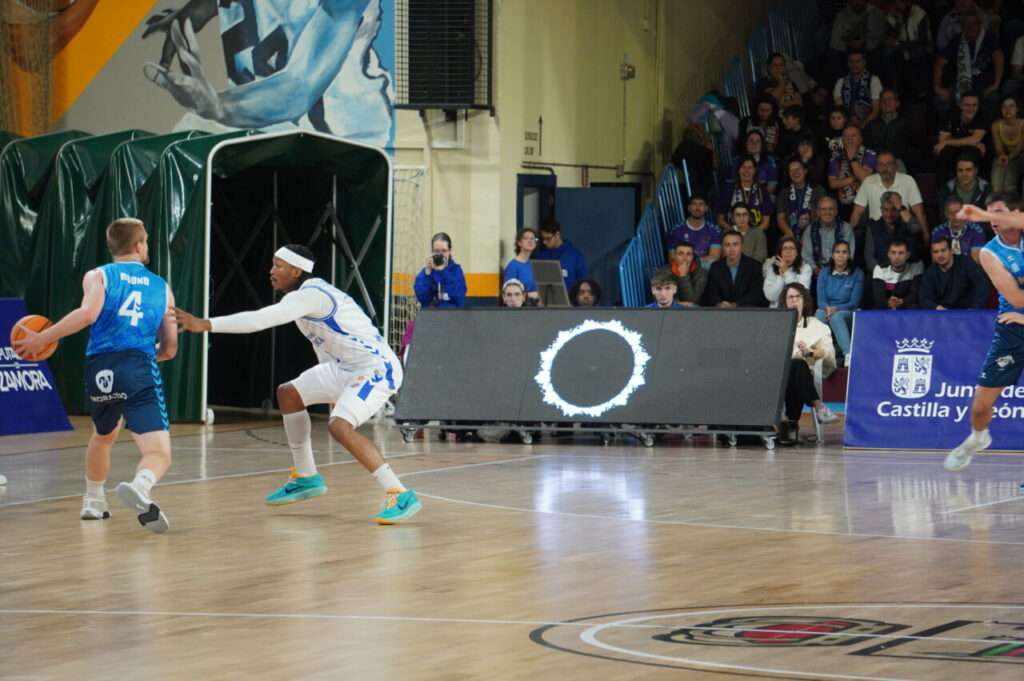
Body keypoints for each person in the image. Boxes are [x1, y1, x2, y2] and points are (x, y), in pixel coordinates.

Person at [174, 244, 422, 524]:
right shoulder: (302, 299)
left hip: (375, 368)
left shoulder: (311, 295)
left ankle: (400, 493)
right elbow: (326, 346)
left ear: (296, 270)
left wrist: (206, 324)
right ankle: (306, 476)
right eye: (272, 264)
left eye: (278, 265)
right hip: (342, 368)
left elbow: (259, 319)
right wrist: (332, 389)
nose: (271, 271)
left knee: (339, 427)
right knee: (288, 394)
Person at [13, 218, 178, 533]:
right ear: (140, 246)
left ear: (112, 245)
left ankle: (93, 501)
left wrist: (44, 337)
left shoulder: (98, 275)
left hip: (99, 367)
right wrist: (141, 362)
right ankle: (141, 487)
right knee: (158, 452)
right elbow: (169, 348)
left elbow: (87, 314)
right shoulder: (161, 287)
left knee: (104, 435)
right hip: (138, 364)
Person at [141, 0, 393, 145]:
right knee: (178, 144)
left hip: (342, 138)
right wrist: (192, 12)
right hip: (261, 123)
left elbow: (300, 88)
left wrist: (218, 107)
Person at [944, 192, 1024, 470]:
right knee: (979, 408)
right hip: (1012, 330)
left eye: (1000, 213)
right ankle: (978, 438)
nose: (994, 221)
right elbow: (1017, 299)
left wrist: (983, 214)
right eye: (991, 216)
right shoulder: (990, 252)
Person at [778, 282, 839, 445]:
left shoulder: (817, 326)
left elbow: (829, 353)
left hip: (803, 375)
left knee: (797, 366)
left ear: (804, 301)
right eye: (790, 297)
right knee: (789, 368)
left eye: (798, 297)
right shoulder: (776, 325)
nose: (794, 301)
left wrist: (810, 352)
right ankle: (818, 408)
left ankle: (791, 424)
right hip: (774, 374)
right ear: (784, 302)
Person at [933, 7, 1003, 118]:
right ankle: (953, 127)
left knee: (993, 97)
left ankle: (983, 131)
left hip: (983, 87)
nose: (970, 27)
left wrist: (996, 84)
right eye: (967, 24)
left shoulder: (989, 38)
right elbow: (940, 62)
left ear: (980, 24)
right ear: (962, 26)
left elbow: (999, 57)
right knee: (938, 99)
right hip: (960, 87)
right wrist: (938, 86)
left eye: (974, 24)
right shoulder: (957, 41)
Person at [849, 150, 929, 237]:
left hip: (903, 232)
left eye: (889, 164)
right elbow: (856, 214)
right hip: (876, 234)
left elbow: (919, 212)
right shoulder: (868, 182)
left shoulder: (908, 181)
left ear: (895, 166)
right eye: (881, 164)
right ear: (877, 168)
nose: (885, 168)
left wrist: (926, 235)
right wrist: (850, 239)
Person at [814, 240, 863, 364]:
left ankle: (848, 355)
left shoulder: (857, 273)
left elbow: (854, 302)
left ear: (849, 255)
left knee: (836, 317)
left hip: (849, 311)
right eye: (837, 252)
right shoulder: (824, 273)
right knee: (818, 316)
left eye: (844, 252)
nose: (841, 255)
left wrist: (836, 308)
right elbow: (821, 300)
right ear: (832, 255)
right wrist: (828, 308)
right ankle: (816, 354)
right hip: (827, 310)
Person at [919, 236, 990, 309]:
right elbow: (924, 299)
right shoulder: (930, 273)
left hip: (969, 311)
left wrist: (976, 306)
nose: (940, 255)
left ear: (951, 250)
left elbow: (982, 283)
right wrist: (936, 307)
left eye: (943, 250)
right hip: (944, 314)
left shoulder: (965, 262)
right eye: (935, 252)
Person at [933, 93, 989, 186]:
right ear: (960, 105)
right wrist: (970, 141)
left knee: (972, 151)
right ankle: (942, 190)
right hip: (952, 150)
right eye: (967, 105)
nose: (971, 109)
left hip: (972, 150)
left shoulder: (982, 116)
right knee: (944, 152)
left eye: (974, 105)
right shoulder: (950, 113)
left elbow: (974, 140)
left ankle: (974, 190)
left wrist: (948, 141)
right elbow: (942, 139)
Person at [864, 191, 925, 269]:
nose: (889, 214)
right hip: (883, 273)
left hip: (907, 272)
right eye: (886, 210)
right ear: (881, 209)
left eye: (893, 209)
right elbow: (869, 258)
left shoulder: (906, 223)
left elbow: (916, 228)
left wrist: (899, 205)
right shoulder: (873, 227)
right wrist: (881, 275)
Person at [828, 125, 877, 221]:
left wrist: (852, 158)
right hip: (843, 202)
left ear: (860, 139)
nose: (849, 139)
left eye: (853, 136)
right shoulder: (836, 156)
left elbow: (867, 180)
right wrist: (855, 177)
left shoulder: (870, 154)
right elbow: (833, 184)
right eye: (846, 137)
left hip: (865, 202)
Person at [706, 231, 767, 308]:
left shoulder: (754, 266)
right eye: (727, 245)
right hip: (721, 312)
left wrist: (735, 305)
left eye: (735, 244)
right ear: (723, 247)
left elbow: (755, 294)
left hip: (746, 311)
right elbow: (712, 293)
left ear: (742, 247)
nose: (731, 249)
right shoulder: (715, 267)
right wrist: (719, 304)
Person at [936, 154, 993, 232]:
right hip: (954, 233)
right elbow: (944, 217)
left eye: (968, 170)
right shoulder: (947, 189)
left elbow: (989, 218)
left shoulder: (986, 188)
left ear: (976, 171)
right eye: (960, 170)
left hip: (979, 232)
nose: (964, 174)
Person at [716, 156, 772, 234]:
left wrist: (751, 234)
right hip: (732, 235)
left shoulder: (762, 190)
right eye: (743, 167)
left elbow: (766, 222)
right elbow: (720, 219)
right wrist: (734, 233)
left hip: (755, 234)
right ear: (738, 170)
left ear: (755, 170)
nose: (746, 171)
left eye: (750, 168)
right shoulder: (728, 189)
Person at [777, 157, 827, 243]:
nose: (795, 172)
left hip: (814, 231)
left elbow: (822, 216)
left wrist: (808, 232)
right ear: (788, 174)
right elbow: (780, 218)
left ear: (805, 171)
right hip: (791, 231)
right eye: (791, 170)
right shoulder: (784, 193)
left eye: (798, 168)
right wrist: (789, 233)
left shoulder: (818, 190)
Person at [802, 196, 855, 274]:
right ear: (818, 213)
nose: (827, 212)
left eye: (831, 209)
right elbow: (806, 256)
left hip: (841, 272)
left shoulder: (846, 228)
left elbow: (849, 254)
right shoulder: (810, 230)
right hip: (816, 273)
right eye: (823, 209)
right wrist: (817, 270)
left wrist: (836, 270)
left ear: (836, 212)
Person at [667, 192, 722, 266]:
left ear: (706, 208)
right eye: (694, 204)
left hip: (704, 267)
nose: (697, 208)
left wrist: (693, 261)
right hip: (683, 266)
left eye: (701, 204)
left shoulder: (715, 230)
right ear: (689, 208)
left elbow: (714, 257)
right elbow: (672, 258)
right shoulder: (676, 230)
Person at [414, 231, 466, 308]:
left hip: (453, 316)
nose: (440, 254)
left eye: (444, 251)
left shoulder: (456, 270)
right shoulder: (426, 272)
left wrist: (443, 271)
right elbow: (422, 298)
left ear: (450, 251)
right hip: (431, 316)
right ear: (432, 251)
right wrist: (427, 274)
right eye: (437, 251)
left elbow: (459, 296)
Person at [833, 49, 882, 127]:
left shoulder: (874, 80)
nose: (855, 65)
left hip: (869, 126)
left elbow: (875, 111)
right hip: (846, 125)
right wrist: (850, 121)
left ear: (864, 63)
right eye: (851, 62)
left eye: (858, 61)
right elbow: (839, 110)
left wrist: (861, 126)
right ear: (847, 64)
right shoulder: (841, 82)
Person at [535, 217, 588, 290]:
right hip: (545, 299)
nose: (544, 242)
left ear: (557, 234)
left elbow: (583, 282)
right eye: (542, 239)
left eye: (548, 239)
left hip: (569, 300)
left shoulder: (574, 255)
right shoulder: (540, 253)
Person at [932, 196, 988, 263]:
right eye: (951, 213)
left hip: (969, 272)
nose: (955, 216)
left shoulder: (977, 231)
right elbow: (936, 262)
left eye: (958, 212)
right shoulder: (938, 232)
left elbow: (975, 263)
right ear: (946, 214)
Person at [872, 239, 923, 309]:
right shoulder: (880, 269)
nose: (897, 257)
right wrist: (888, 303)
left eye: (901, 253)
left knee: (914, 307)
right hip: (886, 306)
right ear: (888, 254)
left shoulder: (915, 267)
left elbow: (914, 294)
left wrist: (901, 302)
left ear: (908, 255)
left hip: (906, 306)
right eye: (893, 253)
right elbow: (879, 297)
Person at [763, 237, 813, 307]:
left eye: (791, 248)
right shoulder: (772, 268)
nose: (788, 251)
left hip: (796, 308)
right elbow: (770, 296)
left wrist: (786, 272)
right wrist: (781, 278)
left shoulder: (805, 268)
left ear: (797, 253)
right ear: (780, 253)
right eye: (785, 248)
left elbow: (800, 294)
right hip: (775, 310)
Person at [655, 241, 707, 306]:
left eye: (688, 254)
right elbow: (660, 296)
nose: (685, 258)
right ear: (674, 256)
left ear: (693, 257)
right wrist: (676, 303)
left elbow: (691, 301)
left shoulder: (701, 274)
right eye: (681, 254)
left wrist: (683, 276)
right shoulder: (664, 272)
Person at [991, 95, 1024, 191]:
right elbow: (998, 148)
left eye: (1011, 106)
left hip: (1020, 156)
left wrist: (1009, 158)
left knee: (1009, 184)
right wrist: (1002, 156)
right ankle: (996, 199)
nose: (1007, 110)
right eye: (1004, 107)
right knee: (998, 164)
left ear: (1017, 109)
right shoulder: (996, 125)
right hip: (1006, 155)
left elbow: (1019, 148)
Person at [504, 228, 541, 305]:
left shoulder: (533, 264)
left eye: (533, 238)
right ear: (519, 243)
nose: (530, 241)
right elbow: (509, 293)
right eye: (526, 238)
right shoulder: (513, 266)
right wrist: (530, 295)